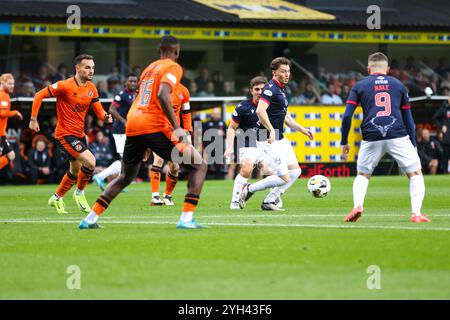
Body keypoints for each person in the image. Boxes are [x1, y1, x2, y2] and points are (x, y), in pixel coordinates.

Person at [78, 35, 207, 229]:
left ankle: (89, 219)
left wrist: (144, 140)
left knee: (125, 177)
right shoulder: (173, 67)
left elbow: (143, 97)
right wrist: (177, 127)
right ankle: (186, 219)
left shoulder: (149, 68)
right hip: (154, 124)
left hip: (133, 124)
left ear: (158, 51)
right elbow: (163, 94)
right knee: (199, 165)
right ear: (177, 51)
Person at [341, 52, 429, 223]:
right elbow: (409, 119)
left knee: (363, 175)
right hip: (398, 134)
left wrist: (344, 141)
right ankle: (416, 214)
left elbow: (346, 117)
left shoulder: (359, 85)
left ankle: (357, 206)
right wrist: (413, 144)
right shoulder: (399, 85)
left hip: (371, 135)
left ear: (368, 69)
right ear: (387, 69)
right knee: (415, 173)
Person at [29, 54, 113, 214]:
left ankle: (56, 197)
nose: (91, 71)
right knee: (91, 162)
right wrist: (33, 119)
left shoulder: (92, 88)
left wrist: (105, 117)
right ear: (78, 68)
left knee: (75, 171)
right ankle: (80, 193)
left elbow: (99, 111)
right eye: (87, 67)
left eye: (93, 67)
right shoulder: (64, 86)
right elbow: (39, 95)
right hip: (64, 135)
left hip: (79, 135)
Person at [239, 57, 314, 210]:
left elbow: (286, 117)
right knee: (284, 177)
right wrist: (271, 129)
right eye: (283, 72)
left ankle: (269, 201)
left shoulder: (281, 89)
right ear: (274, 72)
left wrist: (302, 130)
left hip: (280, 138)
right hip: (266, 138)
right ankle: (249, 189)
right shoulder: (270, 88)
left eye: (288, 71)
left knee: (295, 171)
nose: (287, 74)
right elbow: (260, 110)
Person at [225, 76, 267, 209]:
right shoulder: (243, 107)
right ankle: (235, 201)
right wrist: (230, 147)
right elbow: (232, 127)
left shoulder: (272, 106)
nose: (260, 92)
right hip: (248, 142)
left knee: (271, 171)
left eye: (263, 89)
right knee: (247, 168)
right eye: (257, 89)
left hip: (265, 143)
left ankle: (271, 199)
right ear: (251, 91)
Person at [149, 83, 193, 206]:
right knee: (158, 160)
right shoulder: (157, 88)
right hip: (157, 130)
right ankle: (155, 197)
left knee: (175, 167)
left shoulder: (183, 91)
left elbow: (186, 112)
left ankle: (167, 197)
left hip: (174, 132)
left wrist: (188, 131)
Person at [93, 73, 138, 189]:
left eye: (135, 81)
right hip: (120, 131)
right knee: (125, 159)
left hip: (129, 131)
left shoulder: (135, 95)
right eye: (130, 81)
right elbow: (111, 109)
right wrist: (123, 121)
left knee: (126, 159)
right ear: (125, 83)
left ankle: (117, 182)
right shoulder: (121, 95)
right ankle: (101, 176)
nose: (133, 83)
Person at [0, 74, 23, 172]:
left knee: (11, 155)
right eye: (9, 84)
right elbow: (2, 113)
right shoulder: (4, 96)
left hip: (2, 133)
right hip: (0, 133)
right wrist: (15, 112)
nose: (12, 86)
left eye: (13, 83)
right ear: (2, 83)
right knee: (11, 155)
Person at [432, 96, 450, 173]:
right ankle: (445, 172)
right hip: (447, 137)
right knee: (445, 156)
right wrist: (441, 126)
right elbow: (435, 118)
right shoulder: (444, 108)